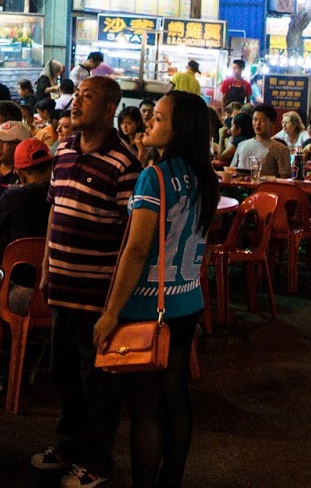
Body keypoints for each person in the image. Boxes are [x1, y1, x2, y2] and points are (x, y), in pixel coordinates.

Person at [93, 90, 215, 488]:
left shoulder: (155, 177)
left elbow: (136, 249)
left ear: (179, 130)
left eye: (159, 119)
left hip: (148, 305)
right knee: (176, 397)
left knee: (145, 409)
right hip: (187, 300)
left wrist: (111, 312)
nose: (149, 123)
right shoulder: (204, 176)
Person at [34, 74, 142, 488]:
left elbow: (130, 238)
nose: (76, 103)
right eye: (76, 95)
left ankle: (95, 461)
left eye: (87, 97)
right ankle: (66, 446)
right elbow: (54, 212)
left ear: (110, 108)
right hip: (61, 286)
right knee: (64, 377)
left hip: (97, 296)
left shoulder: (124, 164)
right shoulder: (62, 151)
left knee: (97, 383)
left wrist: (115, 305)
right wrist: (45, 265)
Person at [0, 137, 55, 261]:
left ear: (20, 174)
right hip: (54, 271)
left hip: (16, 274)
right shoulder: (62, 193)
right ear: (52, 167)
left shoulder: (12, 196)